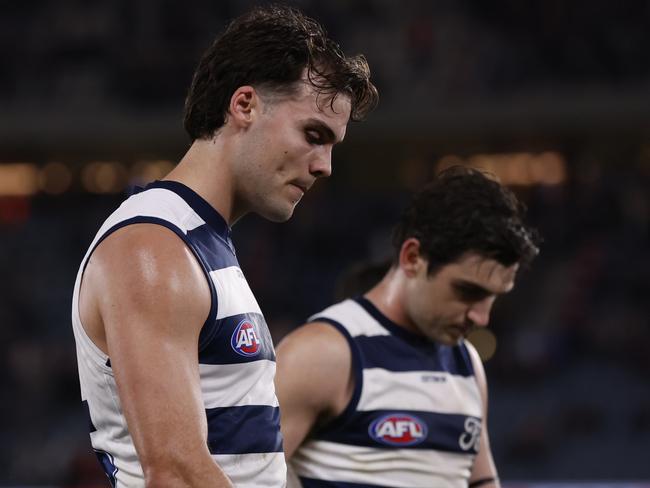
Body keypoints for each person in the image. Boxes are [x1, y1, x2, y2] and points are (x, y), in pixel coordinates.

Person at [71, 6, 377, 487]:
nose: (325, 166)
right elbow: (175, 474)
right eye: (313, 135)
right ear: (244, 105)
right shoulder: (154, 248)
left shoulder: (198, 242)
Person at [275, 166, 540, 488]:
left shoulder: (467, 364)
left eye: (494, 298)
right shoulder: (321, 353)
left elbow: (480, 481)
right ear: (413, 257)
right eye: (468, 292)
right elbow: (248, 472)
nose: (481, 318)